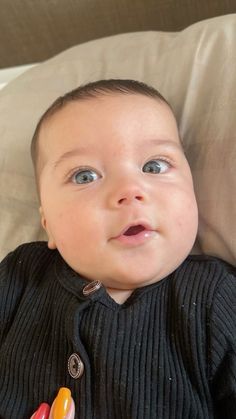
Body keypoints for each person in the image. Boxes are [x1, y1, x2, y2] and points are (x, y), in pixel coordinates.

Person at [0, 79, 235, 419]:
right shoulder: (19, 277)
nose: (130, 190)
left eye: (154, 166)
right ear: (47, 222)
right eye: (85, 176)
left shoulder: (216, 297)